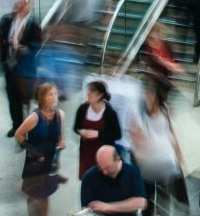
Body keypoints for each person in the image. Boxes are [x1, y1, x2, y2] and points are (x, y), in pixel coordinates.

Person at [131, 81, 188, 216]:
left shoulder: (164, 110)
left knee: (167, 199)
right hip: (147, 165)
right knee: (147, 202)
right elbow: (135, 140)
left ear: (156, 97)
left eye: (151, 95)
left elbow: (172, 134)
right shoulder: (140, 115)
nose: (148, 99)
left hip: (166, 163)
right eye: (146, 96)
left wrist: (179, 158)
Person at [0, 0, 43, 137]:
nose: (18, 8)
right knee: (11, 97)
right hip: (9, 66)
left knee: (24, 99)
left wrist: (25, 49)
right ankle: (15, 125)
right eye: (17, 4)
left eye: (22, 5)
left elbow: (37, 47)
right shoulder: (7, 20)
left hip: (24, 70)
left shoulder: (33, 25)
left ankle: (25, 127)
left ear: (29, 6)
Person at [15, 83, 66, 216]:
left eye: (55, 93)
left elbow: (60, 136)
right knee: (33, 196)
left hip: (50, 164)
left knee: (45, 195)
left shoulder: (60, 115)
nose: (54, 97)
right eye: (50, 94)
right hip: (34, 165)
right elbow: (19, 134)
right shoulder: (34, 117)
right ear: (42, 97)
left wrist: (61, 142)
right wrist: (34, 152)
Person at [73, 81, 122, 180]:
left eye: (92, 91)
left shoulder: (110, 113)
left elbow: (117, 135)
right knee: (87, 179)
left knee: (102, 179)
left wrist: (98, 134)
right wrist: (80, 131)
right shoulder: (83, 109)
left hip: (104, 155)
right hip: (86, 152)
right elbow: (76, 127)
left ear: (100, 95)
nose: (88, 93)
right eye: (88, 91)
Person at [80, 145, 147, 214]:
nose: (104, 172)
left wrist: (108, 207)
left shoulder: (132, 171)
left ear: (117, 159)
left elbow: (141, 202)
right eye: (100, 167)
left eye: (108, 168)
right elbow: (85, 208)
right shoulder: (89, 177)